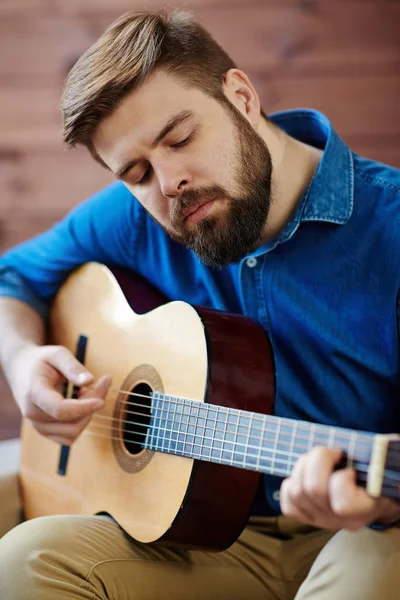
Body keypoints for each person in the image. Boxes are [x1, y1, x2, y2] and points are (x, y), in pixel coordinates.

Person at [0, 9, 399, 600]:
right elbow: (14, 278)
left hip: (365, 529)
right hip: (205, 536)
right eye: (135, 172)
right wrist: (22, 360)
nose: (167, 183)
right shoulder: (137, 219)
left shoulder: (389, 229)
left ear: (240, 96)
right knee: (23, 562)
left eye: (180, 138)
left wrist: (383, 498)